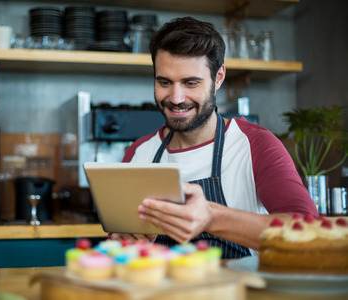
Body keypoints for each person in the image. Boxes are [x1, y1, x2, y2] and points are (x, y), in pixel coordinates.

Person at [109, 17, 318, 258]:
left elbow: (308, 233)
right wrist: (125, 241)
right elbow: (120, 246)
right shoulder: (138, 153)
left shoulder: (255, 144)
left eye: (191, 83)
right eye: (165, 82)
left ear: (218, 78)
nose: (176, 98)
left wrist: (212, 217)